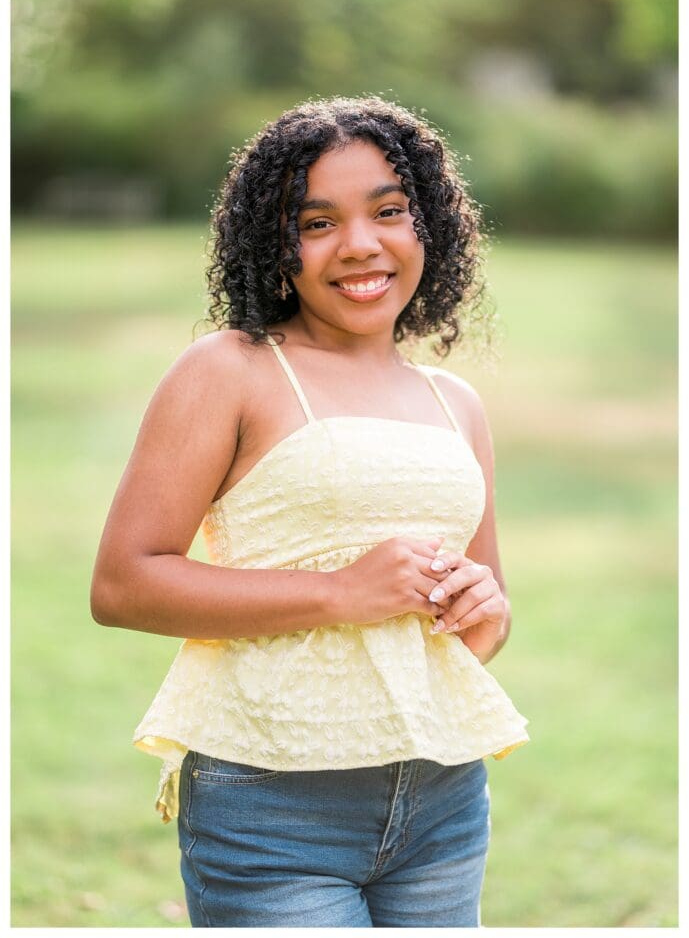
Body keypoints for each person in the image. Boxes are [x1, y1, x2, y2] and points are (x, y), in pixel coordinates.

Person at [90, 95, 529, 928]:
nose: (359, 244)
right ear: (275, 244)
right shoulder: (230, 370)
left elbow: (484, 622)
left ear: (429, 226)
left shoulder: (455, 404)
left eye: (388, 212)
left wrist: (485, 611)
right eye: (316, 222)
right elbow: (122, 584)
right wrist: (338, 593)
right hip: (272, 804)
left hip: (443, 800)